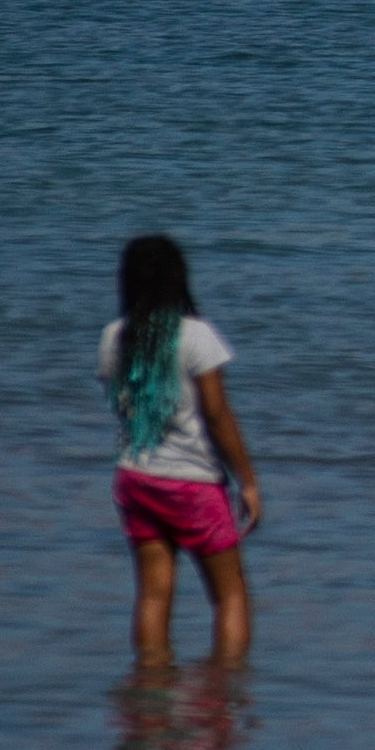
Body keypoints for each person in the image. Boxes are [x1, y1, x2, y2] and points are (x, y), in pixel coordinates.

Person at [100, 234, 261, 660]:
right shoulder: (196, 335)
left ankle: (151, 685)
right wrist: (247, 481)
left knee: (152, 594)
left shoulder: (114, 336)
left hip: (135, 478)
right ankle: (226, 688)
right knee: (230, 596)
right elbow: (217, 413)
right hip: (192, 483)